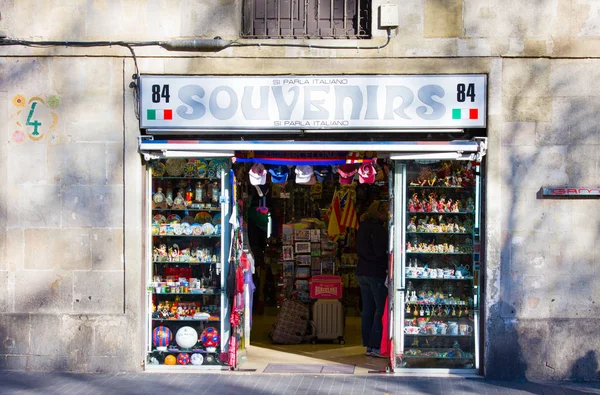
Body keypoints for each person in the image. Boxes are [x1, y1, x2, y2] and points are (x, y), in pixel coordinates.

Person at [356, 200, 389, 358]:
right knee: (380, 309)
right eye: (385, 212)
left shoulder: (362, 226)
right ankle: (375, 344)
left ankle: (368, 344)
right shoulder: (378, 229)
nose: (387, 215)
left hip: (362, 270)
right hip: (375, 272)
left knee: (367, 309)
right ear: (379, 212)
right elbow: (379, 251)